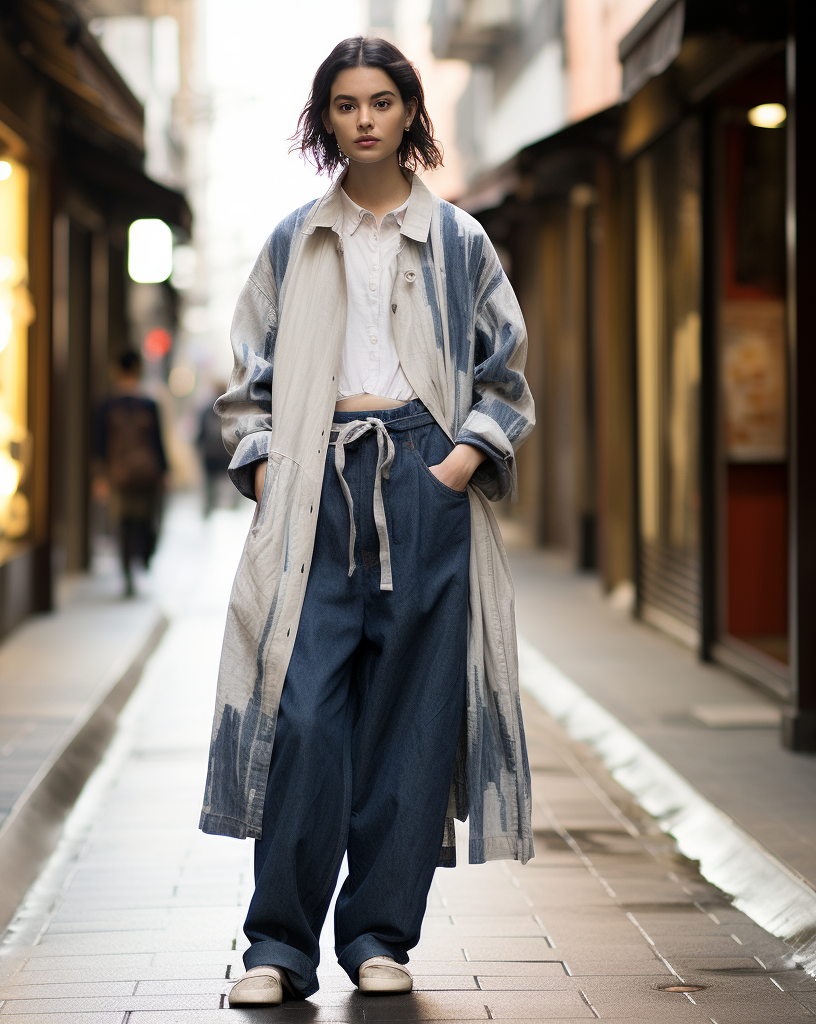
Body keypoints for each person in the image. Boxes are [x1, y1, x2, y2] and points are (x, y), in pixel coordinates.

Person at [200, 37, 536, 1006]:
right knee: (303, 716)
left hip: (423, 487)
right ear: (326, 120)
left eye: (380, 100)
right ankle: (278, 947)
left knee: (413, 722)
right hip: (316, 488)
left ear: (407, 112)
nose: (364, 119)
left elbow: (504, 375)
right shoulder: (293, 238)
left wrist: (454, 465)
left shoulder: (461, 241)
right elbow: (247, 386)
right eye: (345, 103)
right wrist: (267, 474)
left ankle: (381, 934)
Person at [93, 350, 168, 597]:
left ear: (116, 371)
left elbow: (100, 445)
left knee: (123, 523)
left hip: (118, 476)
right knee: (146, 521)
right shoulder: (148, 405)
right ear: (138, 369)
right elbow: (158, 443)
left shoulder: (107, 406)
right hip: (148, 475)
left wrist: (101, 477)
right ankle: (142, 561)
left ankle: (127, 574)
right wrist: (164, 473)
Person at [196, 388, 234, 517]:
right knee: (228, 485)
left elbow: (200, 434)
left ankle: (208, 511)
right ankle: (229, 511)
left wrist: (200, 448)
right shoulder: (232, 409)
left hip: (210, 455)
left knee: (210, 486)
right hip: (226, 454)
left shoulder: (207, 409)